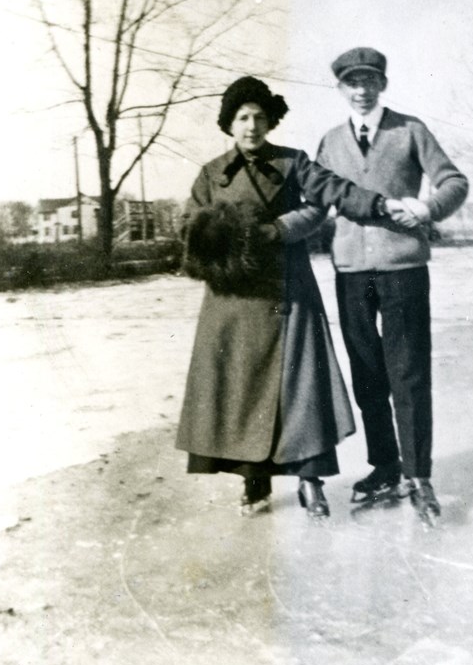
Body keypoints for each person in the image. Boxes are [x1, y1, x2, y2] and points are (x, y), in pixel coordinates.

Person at [176, 76, 415, 519]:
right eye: (243, 117)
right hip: (233, 300)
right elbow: (190, 226)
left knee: (301, 390)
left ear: (270, 122)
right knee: (243, 390)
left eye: (260, 117)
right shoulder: (210, 174)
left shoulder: (292, 163)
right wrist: (222, 237)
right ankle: (254, 481)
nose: (252, 126)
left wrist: (281, 229)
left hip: (288, 292)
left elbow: (326, 198)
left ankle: (310, 482)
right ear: (229, 123)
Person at [316, 47, 469, 520]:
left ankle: (419, 474)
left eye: (369, 81)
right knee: (367, 377)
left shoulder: (410, 130)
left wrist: (428, 208)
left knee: (408, 373)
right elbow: (318, 197)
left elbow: (453, 181)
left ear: (382, 85)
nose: (361, 90)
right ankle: (385, 464)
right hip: (350, 273)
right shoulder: (329, 141)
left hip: (403, 270)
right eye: (351, 83)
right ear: (340, 88)